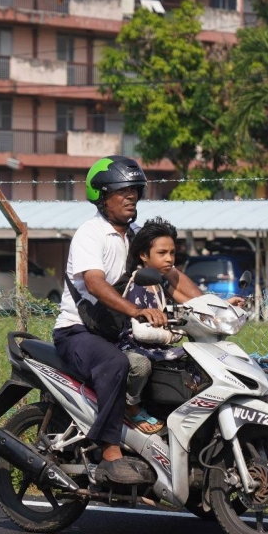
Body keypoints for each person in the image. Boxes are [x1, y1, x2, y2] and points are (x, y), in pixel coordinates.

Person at [53, 156, 204, 485]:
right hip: (77, 332)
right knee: (117, 363)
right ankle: (110, 452)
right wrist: (135, 310)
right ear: (102, 196)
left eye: (135, 190)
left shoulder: (137, 236)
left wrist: (213, 305)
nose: (130, 196)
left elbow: (171, 275)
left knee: (176, 364)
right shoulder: (91, 234)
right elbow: (94, 282)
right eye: (122, 191)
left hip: (117, 332)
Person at [118, 217, 188, 435]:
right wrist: (170, 336)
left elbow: (189, 303)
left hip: (154, 348)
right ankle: (131, 405)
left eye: (172, 253)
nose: (169, 259)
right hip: (133, 346)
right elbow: (140, 331)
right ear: (143, 255)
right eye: (162, 253)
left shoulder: (159, 281)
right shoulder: (140, 280)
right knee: (140, 366)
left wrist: (223, 305)